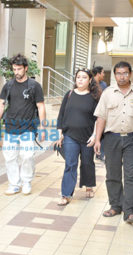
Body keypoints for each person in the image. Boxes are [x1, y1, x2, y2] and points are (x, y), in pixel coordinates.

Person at [94, 61, 133, 224]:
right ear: (114, 75)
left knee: (132, 175)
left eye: (125, 73)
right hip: (111, 138)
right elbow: (101, 117)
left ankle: (130, 212)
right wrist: (97, 139)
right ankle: (115, 206)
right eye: (118, 73)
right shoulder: (108, 93)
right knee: (112, 173)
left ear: (130, 74)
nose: (122, 76)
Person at [0, 54, 46, 195]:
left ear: (26, 68)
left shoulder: (34, 86)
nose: (16, 72)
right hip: (10, 127)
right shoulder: (8, 85)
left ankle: (26, 181)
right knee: (10, 157)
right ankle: (14, 184)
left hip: (28, 128)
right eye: (14, 69)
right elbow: (1, 104)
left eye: (19, 69)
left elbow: (40, 106)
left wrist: (42, 127)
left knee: (27, 156)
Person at [55, 69, 101, 206]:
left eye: (84, 77)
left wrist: (94, 136)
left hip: (88, 137)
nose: (80, 79)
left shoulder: (94, 97)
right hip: (70, 136)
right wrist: (60, 134)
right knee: (70, 164)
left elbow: (99, 119)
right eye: (78, 77)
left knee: (87, 163)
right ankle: (66, 194)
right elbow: (61, 115)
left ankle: (89, 185)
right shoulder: (69, 95)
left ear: (90, 80)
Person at [92, 66, 107, 162]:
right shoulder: (90, 83)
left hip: (101, 113)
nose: (104, 75)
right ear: (98, 73)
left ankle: (100, 153)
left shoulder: (104, 84)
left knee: (102, 133)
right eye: (103, 72)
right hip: (91, 112)